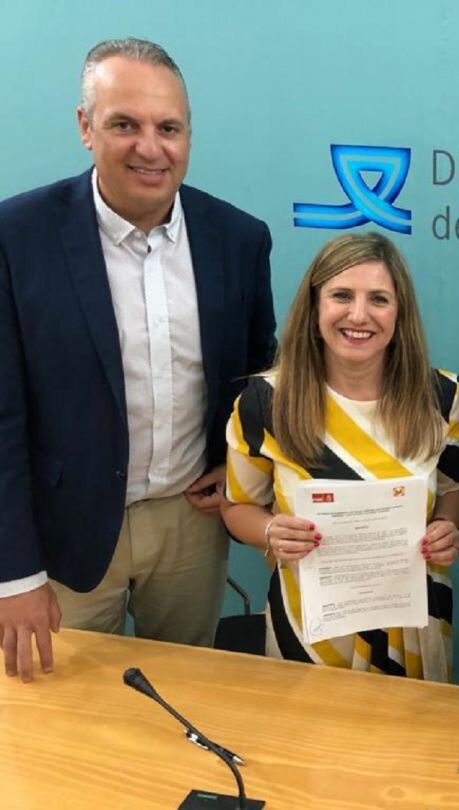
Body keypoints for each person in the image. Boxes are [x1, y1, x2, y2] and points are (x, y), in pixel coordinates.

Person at [0, 38, 276, 682]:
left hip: (188, 526)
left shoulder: (239, 239)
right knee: (60, 717)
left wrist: (232, 465)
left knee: (183, 704)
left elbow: (255, 373)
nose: (150, 147)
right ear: (85, 127)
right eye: (125, 124)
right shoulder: (17, 238)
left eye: (168, 128)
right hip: (62, 535)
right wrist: (14, 574)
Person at [221, 233, 459, 679]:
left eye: (379, 299)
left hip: (413, 624)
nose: (359, 315)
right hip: (310, 630)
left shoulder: (440, 396)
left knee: (415, 743)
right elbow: (236, 506)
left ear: (400, 312)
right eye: (341, 295)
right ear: (315, 305)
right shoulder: (266, 401)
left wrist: (446, 527)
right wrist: (269, 530)